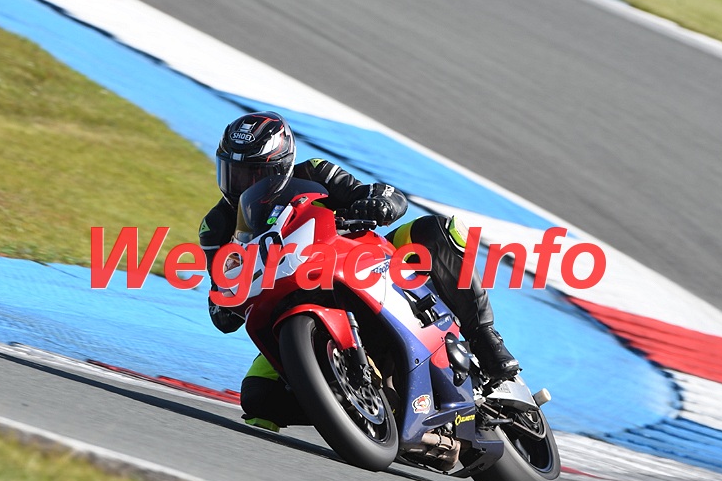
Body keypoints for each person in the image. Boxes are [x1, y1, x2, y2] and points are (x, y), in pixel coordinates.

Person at [200, 111, 519, 432]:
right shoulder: (216, 227)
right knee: (258, 397)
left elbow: (386, 196)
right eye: (233, 173)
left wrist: (378, 203)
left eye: (253, 175)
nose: (241, 185)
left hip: (356, 267)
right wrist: (223, 299)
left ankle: (485, 338)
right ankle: (352, 408)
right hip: (285, 305)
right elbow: (221, 303)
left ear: (281, 166)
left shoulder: (315, 173)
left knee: (436, 230)